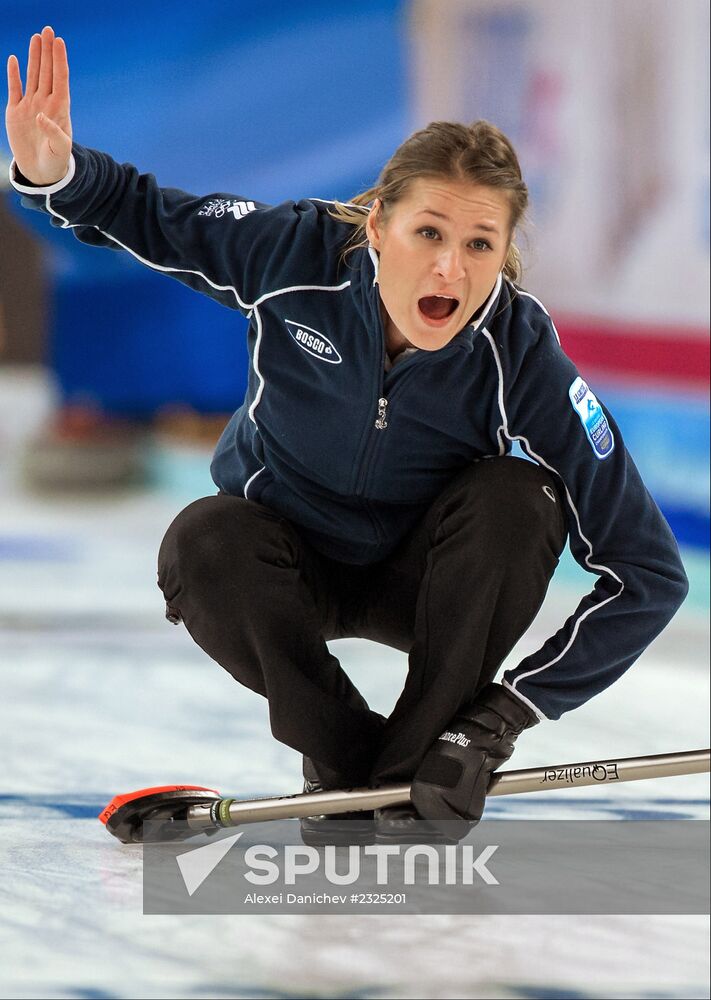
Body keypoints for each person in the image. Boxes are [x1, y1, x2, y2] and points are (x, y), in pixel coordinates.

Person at [6, 26, 689, 844]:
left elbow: (647, 573)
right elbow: (147, 214)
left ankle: (426, 753)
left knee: (519, 500)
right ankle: (349, 767)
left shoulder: (518, 348)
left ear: (505, 253)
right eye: (427, 233)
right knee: (204, 537)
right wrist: (57, 173)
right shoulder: (292, 252)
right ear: (374, 229)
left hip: (429, 585)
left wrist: (495, 724)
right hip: (289, 568)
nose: (450, 271)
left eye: (480, 245)